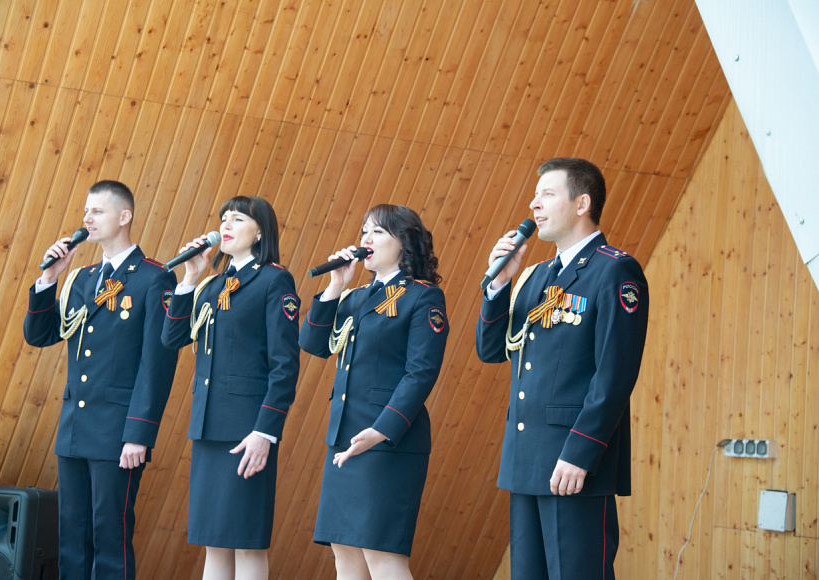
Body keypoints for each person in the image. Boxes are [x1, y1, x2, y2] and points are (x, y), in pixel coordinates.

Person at [475, 158, 649, 580]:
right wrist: (499, 284)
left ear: (581, 204)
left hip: (573, 462)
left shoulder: (614, 270)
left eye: (547, 194)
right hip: (526, 458)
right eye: (535, 196)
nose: (534, 205)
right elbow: (492, 350)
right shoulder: (534, 276)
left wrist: (579, 453)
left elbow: (614, 375)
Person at [23, 180, 178, 580]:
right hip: (76, 426)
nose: (87, 219)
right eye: (85, 211)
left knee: (110, 537)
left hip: (117, 431)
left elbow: (156, 363)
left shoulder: (153, 278)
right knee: (72, 537)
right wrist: (50, 279)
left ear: (124, 217)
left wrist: (139, 433)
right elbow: (41, 335)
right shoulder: (82, 278)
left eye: (97, 211)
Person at [299, 204, 449, 579]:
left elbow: (421, 372)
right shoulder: (354, 296)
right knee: (345, 553)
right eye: (364, 231)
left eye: (378, 232)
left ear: (404, 242)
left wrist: (382, 429)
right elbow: (313, 343)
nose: (366, 239)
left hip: (388, 441)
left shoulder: (422, 296)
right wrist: (335, 285)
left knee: (382, 557)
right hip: (345, 437)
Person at [161, 196, 300, 580]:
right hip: (209, 427)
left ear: (260, 232)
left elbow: (285, 366)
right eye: (224, 218)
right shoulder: (211, 285)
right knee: (215, 542)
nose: (225, 225)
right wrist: (190, 278)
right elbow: (172, 338)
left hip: (247, 430)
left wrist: (265, 432)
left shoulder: (274, 280)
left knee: (246, 542)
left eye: (237, 219)